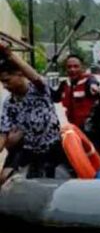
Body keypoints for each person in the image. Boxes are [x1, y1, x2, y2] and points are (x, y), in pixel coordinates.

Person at [0, 43, 64, 179]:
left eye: (7, 81)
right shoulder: (8, 103)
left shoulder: (39, 90)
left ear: (19, 74)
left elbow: (35, 77)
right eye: (2, 82)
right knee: (4, 178)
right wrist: (5, 143)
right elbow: (3, 133)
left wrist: (9, 54)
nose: (5, 86)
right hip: (27, 150)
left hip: (51, 147)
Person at [52, 54, 100, 128]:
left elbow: (93, 84)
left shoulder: (89, 80)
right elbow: (55, 98)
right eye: (69, 67)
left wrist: (93, 86)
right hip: (73, 127)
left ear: (82, 67)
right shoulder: (64, 84)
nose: (72, 69)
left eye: (76, 66)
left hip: (90, 128)